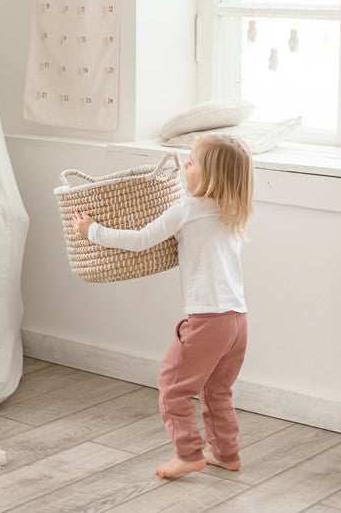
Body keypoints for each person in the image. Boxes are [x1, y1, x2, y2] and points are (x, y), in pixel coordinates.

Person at [73, 133, 255, 479]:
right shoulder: (232, 212)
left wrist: (91, 230)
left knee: (173, 386)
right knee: (216, 390)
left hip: (207, 320)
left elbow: (140, 240)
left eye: (190, 163)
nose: (184, 167)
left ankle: (188, 454)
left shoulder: (188, 209)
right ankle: (227, 452)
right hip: (237, 320)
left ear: (209, 176)